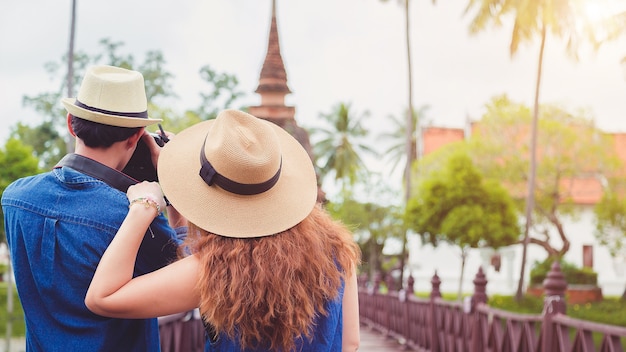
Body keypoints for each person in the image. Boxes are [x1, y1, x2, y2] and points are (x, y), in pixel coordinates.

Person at [85, 109, 362, 352]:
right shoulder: (335, 248)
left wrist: (144, 207)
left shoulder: (219, 269)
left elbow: (103, 297)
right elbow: (351, 343)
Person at [2, 65, 185, 351]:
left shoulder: (14, 198)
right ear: (137, 136)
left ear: (70, 123)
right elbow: (191, 269)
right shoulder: (136, 214)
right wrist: (174, 181)